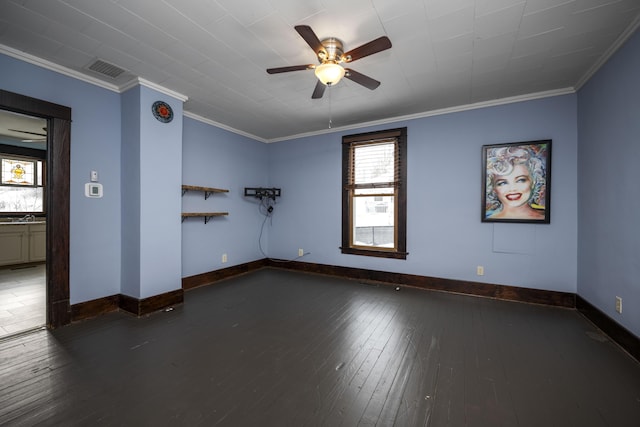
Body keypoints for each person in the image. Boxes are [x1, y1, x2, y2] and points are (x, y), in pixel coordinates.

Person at [485, 145, 546, 220]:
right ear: (493, 188)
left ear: (533, 182)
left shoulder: (546, 215)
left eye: (520, 180)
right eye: (503, 183)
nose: (512, 189)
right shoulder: (488, 218)